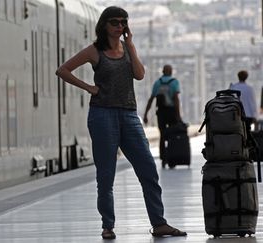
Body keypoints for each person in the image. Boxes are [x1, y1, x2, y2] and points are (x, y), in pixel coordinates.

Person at [55, 6, 187, 240]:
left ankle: (159, 223)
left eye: (123, 23)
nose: (120, 26)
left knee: (148, 169)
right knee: (106, 175)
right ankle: (108, 225)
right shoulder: (94, 51)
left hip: (128, 115)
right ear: (104, 25)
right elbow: (62, 70)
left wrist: (132, 46)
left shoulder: (127, 48)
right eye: (115, 22)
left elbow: (139, 74)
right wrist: (89, 88)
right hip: (102, 115)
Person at [143, 65, 182, 167]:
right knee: (173, 135)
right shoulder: (174, 82)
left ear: (163, 72)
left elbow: (151, 99)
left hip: (161, 113)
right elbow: (176, 99)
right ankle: (172, 158)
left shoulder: (157, 83)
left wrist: (146, 114)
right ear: (171, 72)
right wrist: (178, 116)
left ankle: (164, 159)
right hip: (172, 112)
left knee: (162, 135)